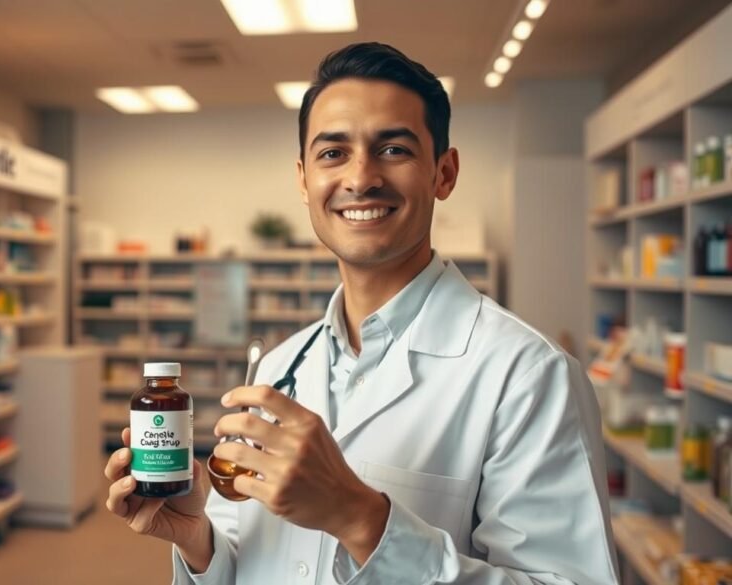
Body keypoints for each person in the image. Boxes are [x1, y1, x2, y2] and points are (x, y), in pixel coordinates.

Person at [103, 42, 619, 585]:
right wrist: (199, 542)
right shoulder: (281, 365)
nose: (360, 177)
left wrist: (361, 519)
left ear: (444, 173)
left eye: (393, 149)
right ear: (304, 180)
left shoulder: (529, 376)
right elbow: (254, 555)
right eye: (333, 154)